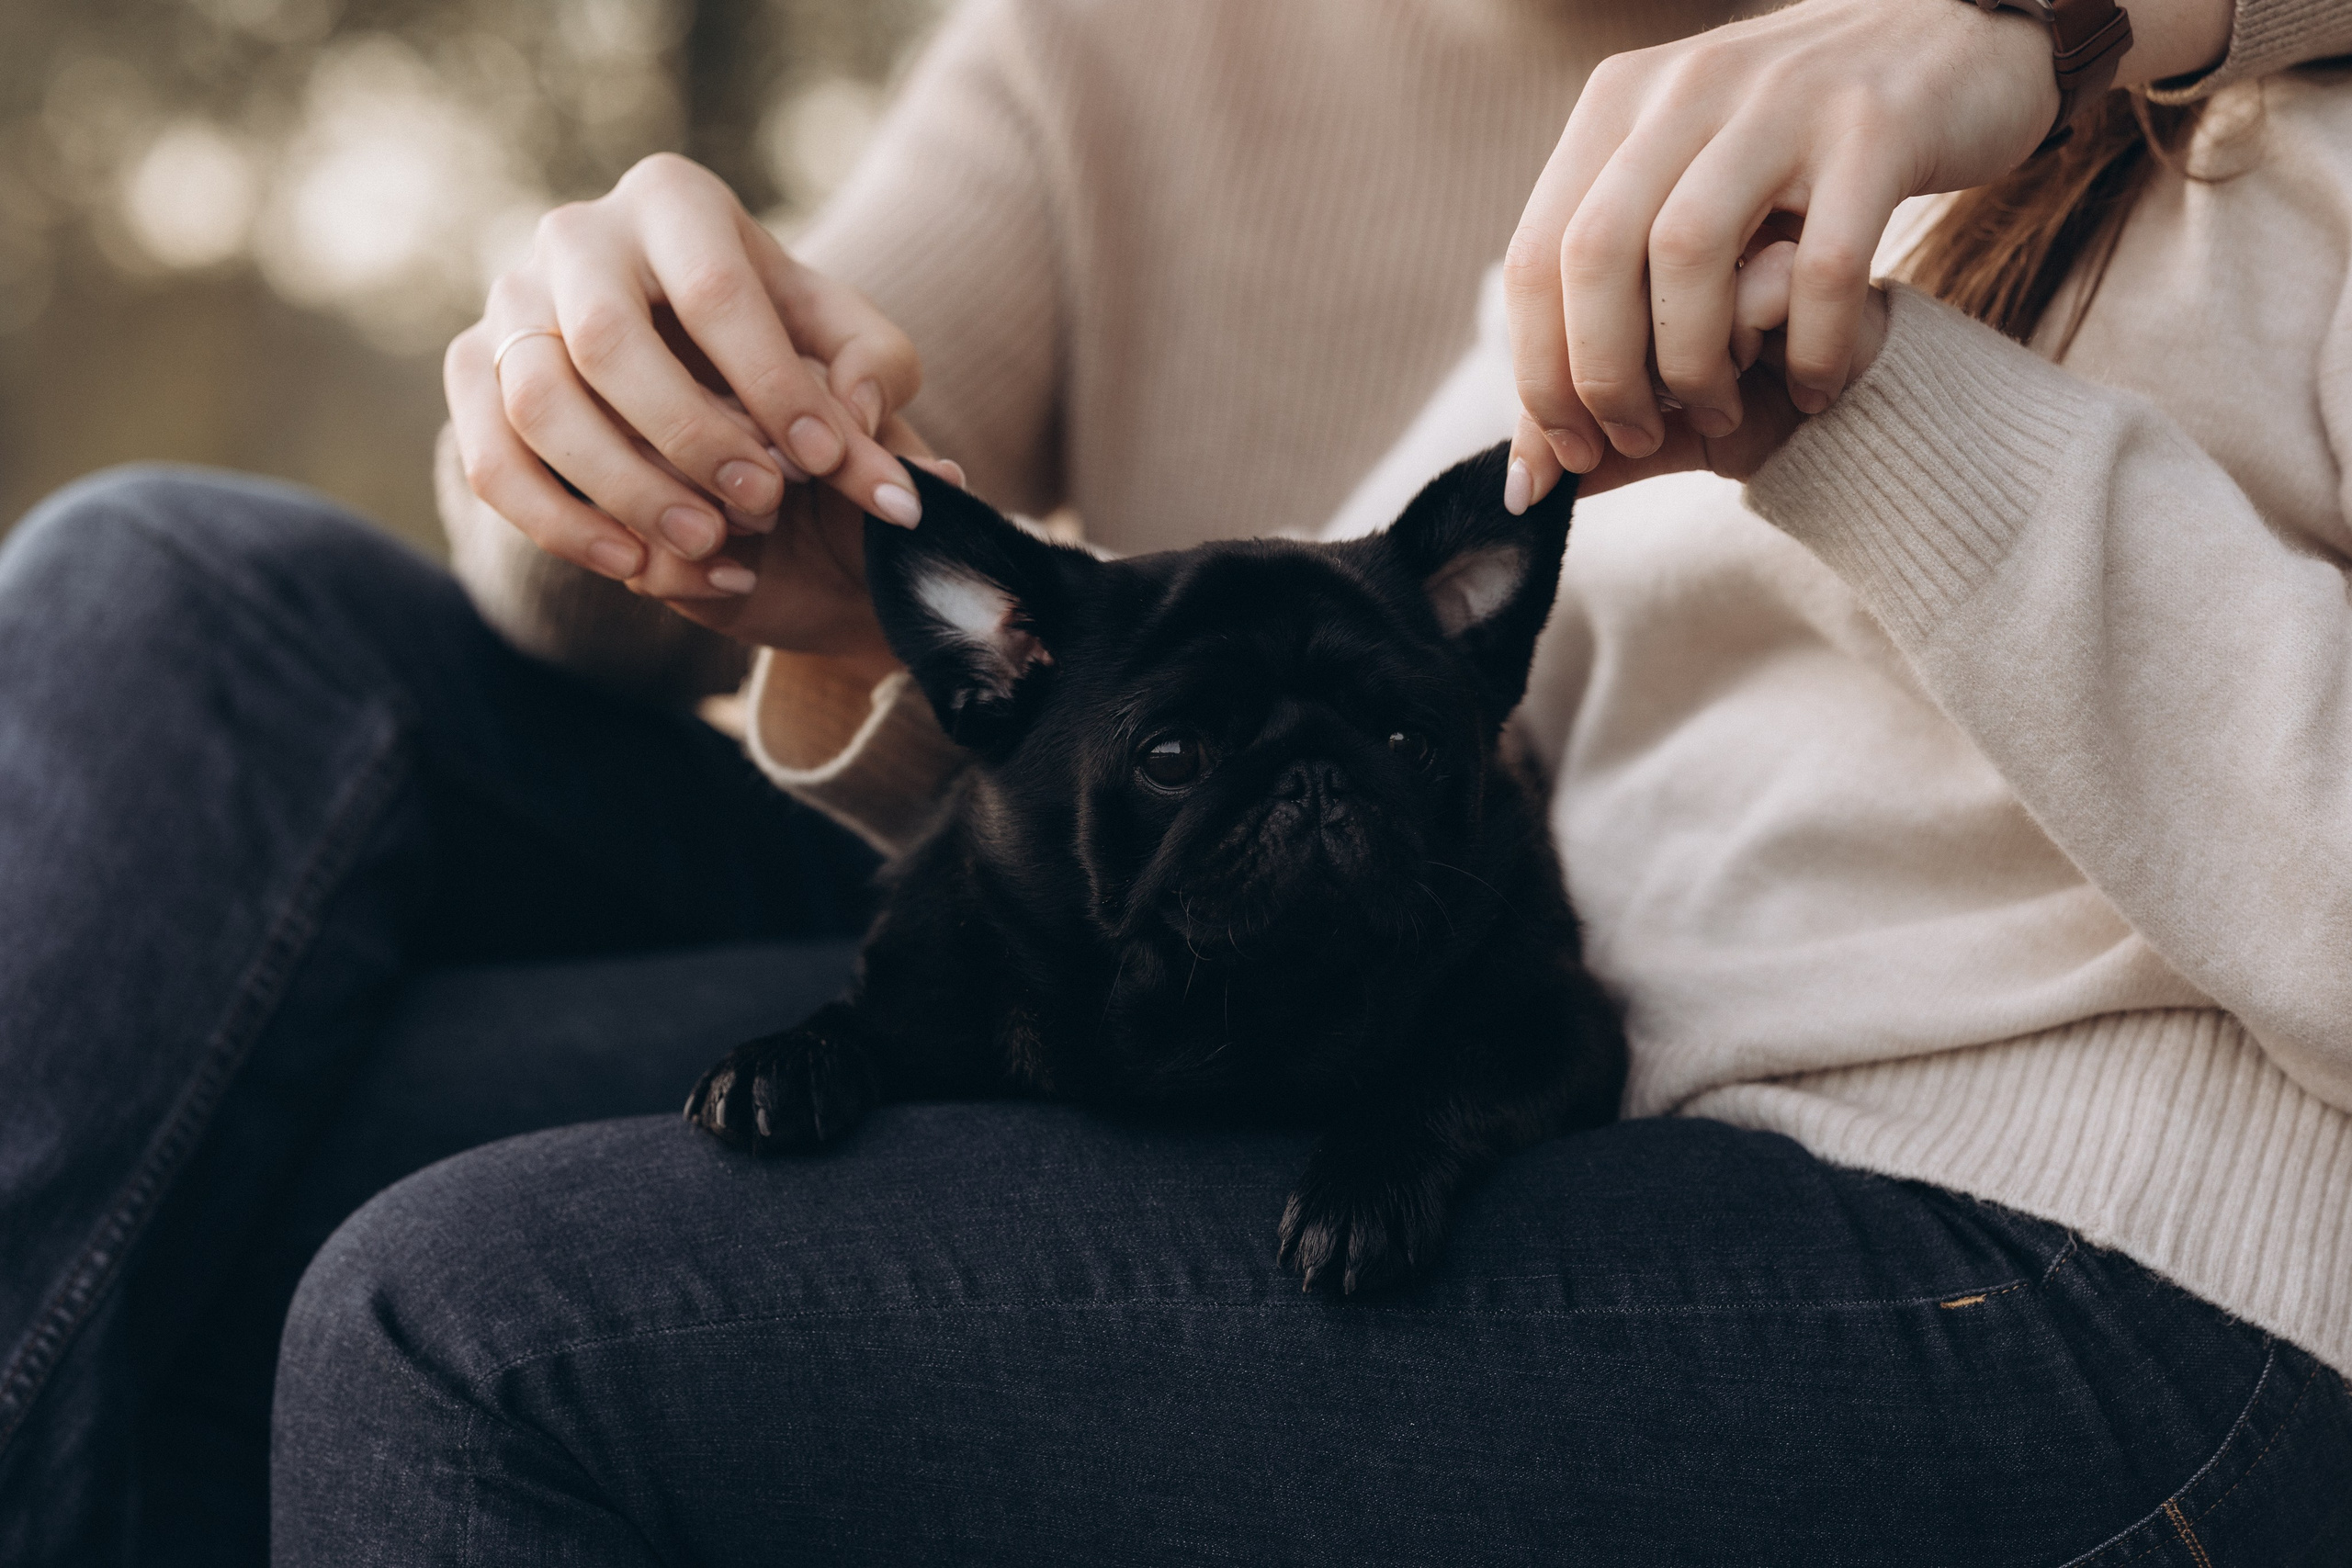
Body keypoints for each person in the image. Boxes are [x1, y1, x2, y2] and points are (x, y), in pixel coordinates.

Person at [3, 0, 2349, 1562]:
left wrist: (1884, 382)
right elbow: (1254, 670)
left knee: (457, 1298)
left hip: (2007, 1207)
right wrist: (683, 490)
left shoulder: (2056, 107)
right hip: (1341, 984)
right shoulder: (1236, 64)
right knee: (177, 604)